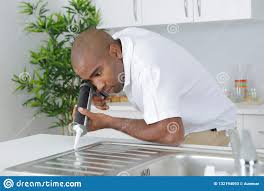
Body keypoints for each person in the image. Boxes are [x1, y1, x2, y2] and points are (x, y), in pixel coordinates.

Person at [70, 27, 236, 146]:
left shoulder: (149, 66)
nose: (97, 85)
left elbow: (171, 133)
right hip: (186, 132)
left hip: (209, 133)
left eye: (98, 74)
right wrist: (102, 91)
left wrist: (109, 122)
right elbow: (122, 70)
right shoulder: (122, 40)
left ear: (115, 53)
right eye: (90, 80)